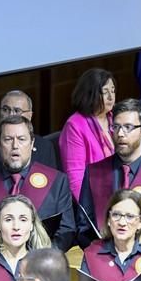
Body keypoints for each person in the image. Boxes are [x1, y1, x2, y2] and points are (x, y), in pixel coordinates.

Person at [0, 114, 75, 253]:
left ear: (32, 143)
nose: (15, 146)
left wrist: (45, 256)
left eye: (22, 139)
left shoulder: (57, 181)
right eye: (8, 139)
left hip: (38, 265)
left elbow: (67, 230)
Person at [78, 98, 141, 252]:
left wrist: (135, 257)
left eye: (128, 127)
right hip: (102, 263)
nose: (120, 134)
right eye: (116, 127)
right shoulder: (94, 172)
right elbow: (84, 228)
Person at [59, 68, 117, 199]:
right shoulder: (75, 125)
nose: (111, 97)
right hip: (94, 200)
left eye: (113, 91)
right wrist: (92, 212)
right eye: (105, 92)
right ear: (90, 94)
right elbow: (75, 178)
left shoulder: (116, 119)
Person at [0, 90, 58, 170]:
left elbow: (53, 185)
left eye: (17, 110)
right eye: (5, 109)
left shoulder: (45, 147)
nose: (10, 115)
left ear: (30, 115)